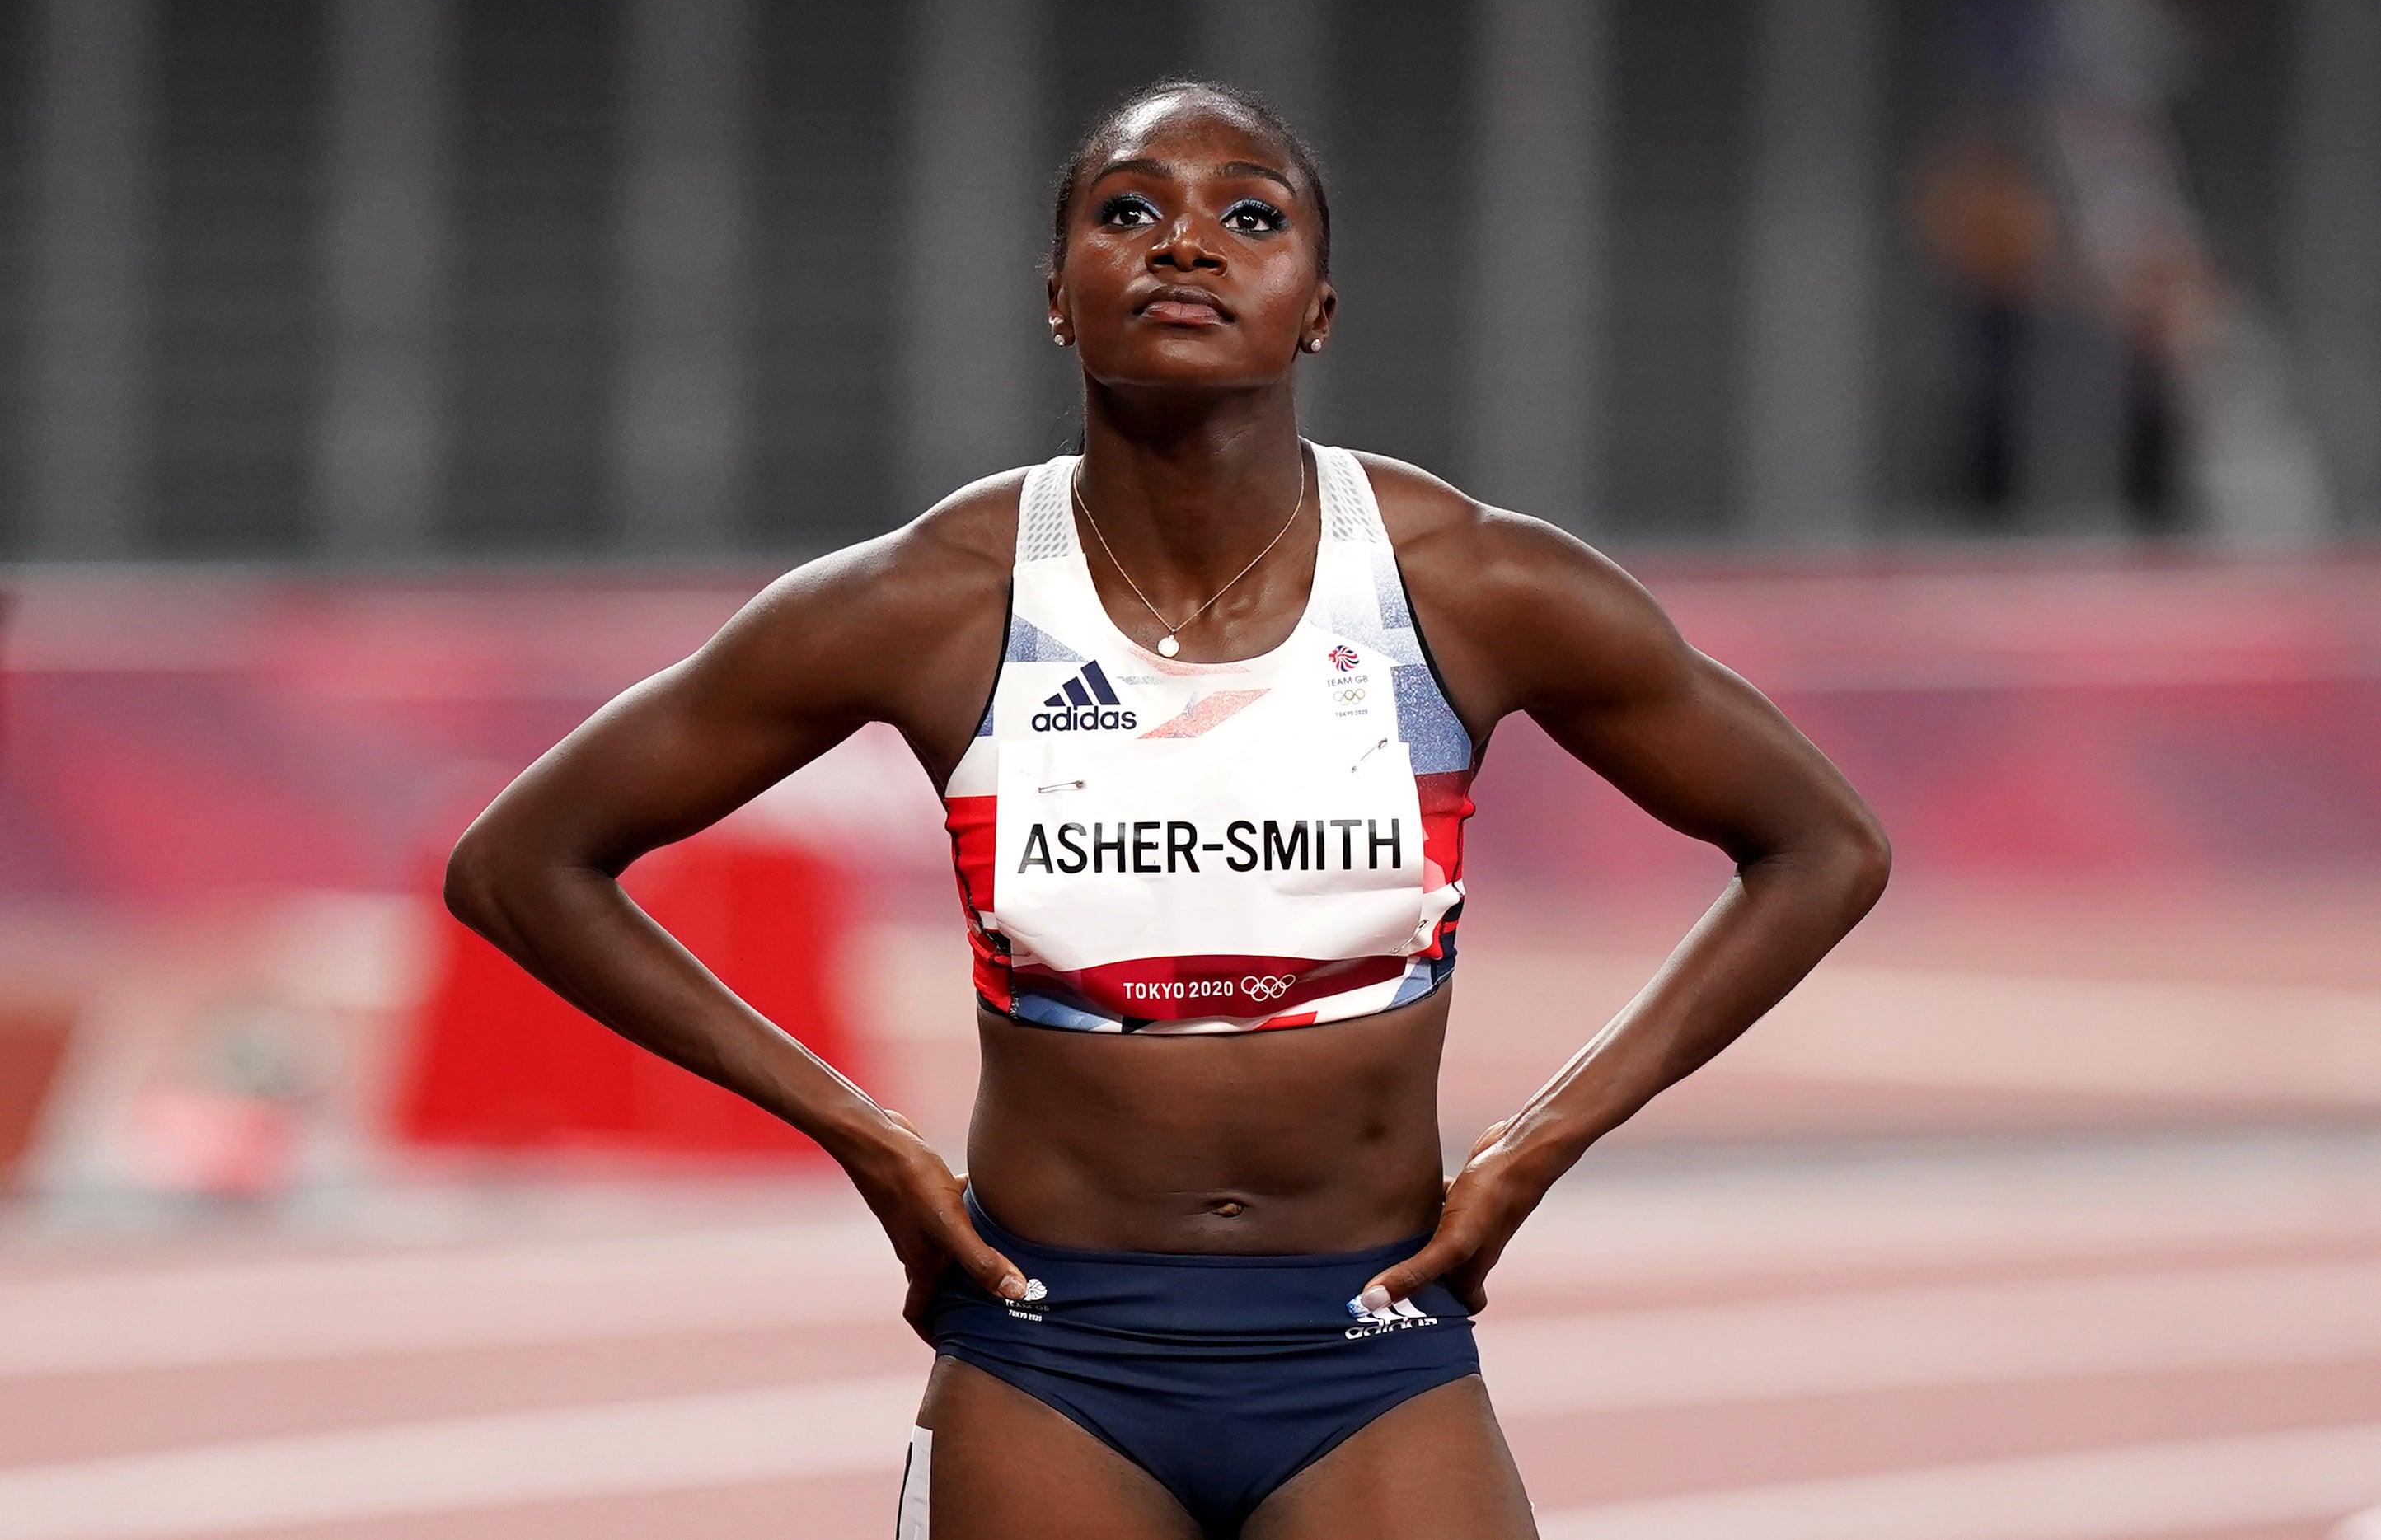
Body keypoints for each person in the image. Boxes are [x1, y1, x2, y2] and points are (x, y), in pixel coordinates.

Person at [444, 79, 1891, 1539]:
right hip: (1047, 1344)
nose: (1184, 246)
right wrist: (867, 1137)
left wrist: (1536, 1143)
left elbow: (1820, 845)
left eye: (1247, 217)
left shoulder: (1465, 585)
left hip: (1371, 1338)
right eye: (1127, 212)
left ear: (1316, 308)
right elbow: (521, 867)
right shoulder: (933, 599)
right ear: (1059, 299)